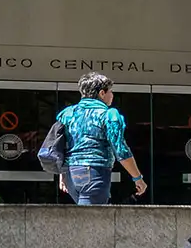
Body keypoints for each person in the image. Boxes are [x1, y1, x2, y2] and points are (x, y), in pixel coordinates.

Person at [57, 72, 147, 205]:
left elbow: (62, 145)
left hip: (71, 174)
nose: (112, 95)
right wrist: (137, 178)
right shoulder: (108, 115)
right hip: (95, 174)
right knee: (91, 221)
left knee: (85, 219)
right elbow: (121, 150)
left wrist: (62, 173)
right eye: (110, 91)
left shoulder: (68, 113)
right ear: (102, 93)